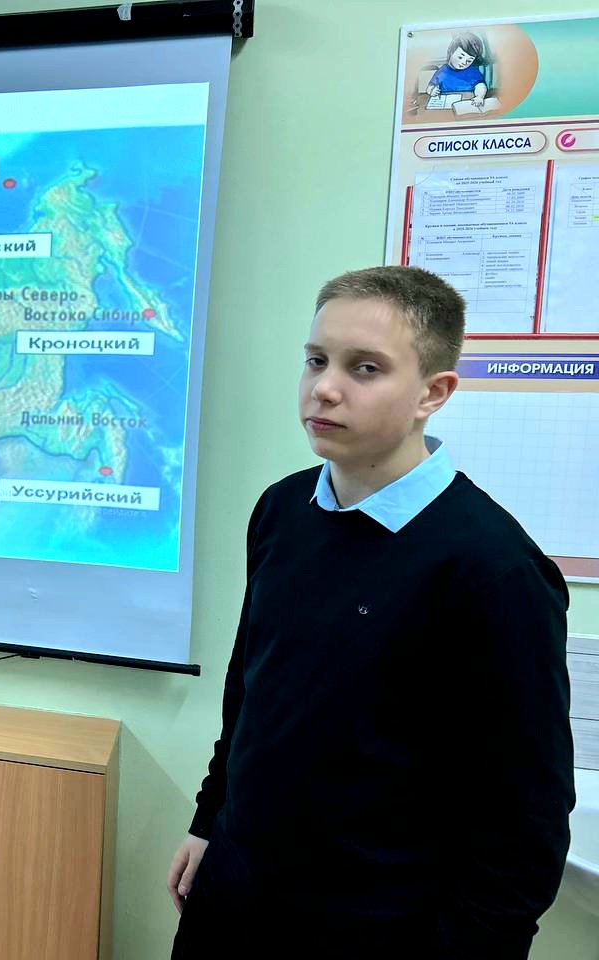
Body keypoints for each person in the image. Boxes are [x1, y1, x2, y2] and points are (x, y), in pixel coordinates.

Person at [166, 266, 573, 959]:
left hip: (372, 926)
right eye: (316, 360)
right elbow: (251, 693)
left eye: (365, 368)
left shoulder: (492, 568)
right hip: (234, 896)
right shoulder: (281, 509)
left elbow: (524, 818)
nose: (324, 388)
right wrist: (209, 820)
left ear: (432, 394)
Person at [427, 32, 490, 108]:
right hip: (447, 106)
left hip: (468, 104)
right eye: (460, 57)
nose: (464, 62)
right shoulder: (442, 71)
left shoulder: (472, 71)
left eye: (469, 60)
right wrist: (432, 91)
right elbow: (431, 86)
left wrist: (479, 97)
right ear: (451, 52)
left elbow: (480, 86)